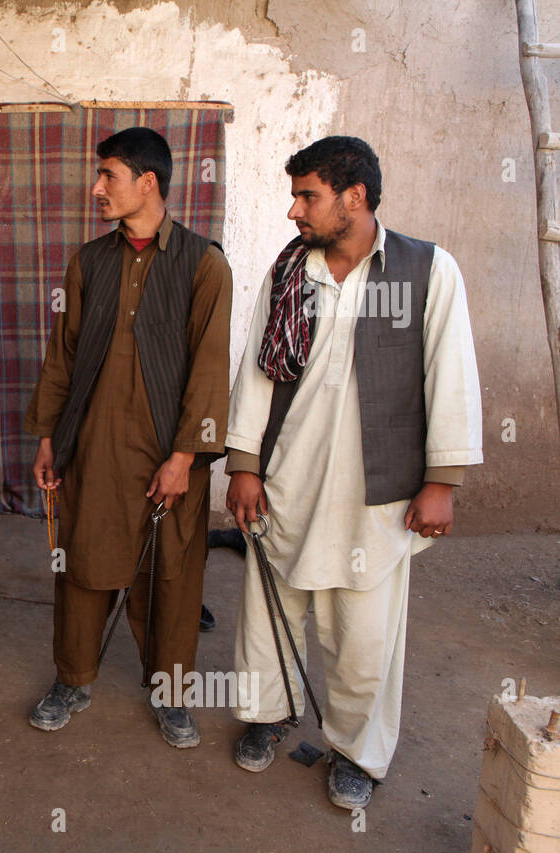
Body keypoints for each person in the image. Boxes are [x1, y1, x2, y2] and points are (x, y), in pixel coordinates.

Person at [225, 135, 482, 809]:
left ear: (354, 196)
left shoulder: (426, 271)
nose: (294, 212)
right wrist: (244, 467)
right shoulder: (290, 273)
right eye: (294, 196)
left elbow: (450, 374)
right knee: (271, 606)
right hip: (289, 474)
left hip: (378, 488)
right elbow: (256, 370)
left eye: (307, 196)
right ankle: (267, 713)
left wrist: (441, 482)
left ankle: (356, 753)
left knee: (363, 631)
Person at [24, 128, 232, 746]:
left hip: (170, 456)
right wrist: (47, 439)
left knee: (169, 575)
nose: (95, 189)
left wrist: (184, 457)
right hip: (91, 447)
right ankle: (73, 679)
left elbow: (210, 368)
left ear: (148, 182)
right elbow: (62, 355)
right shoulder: (88, 262)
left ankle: (170, 695)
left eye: (107, 176)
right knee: (82, 566)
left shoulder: (203, 264)